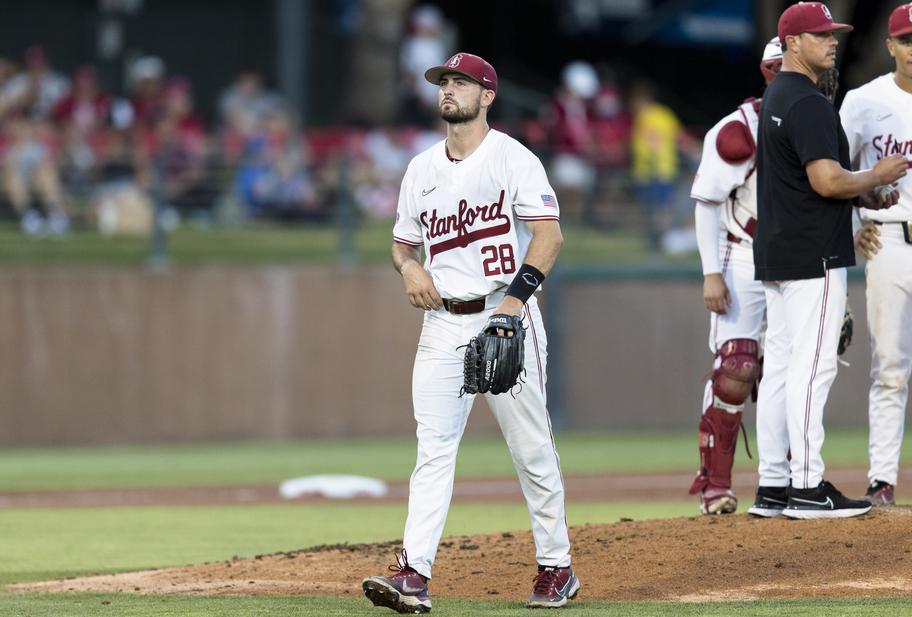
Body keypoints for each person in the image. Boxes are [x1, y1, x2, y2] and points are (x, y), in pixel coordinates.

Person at [362, 52, 578, 613]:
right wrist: (410, 269)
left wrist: (511, 306)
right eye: (444, 81)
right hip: (442, 322)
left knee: (530, 448)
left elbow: (548, 238)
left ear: (487, 97)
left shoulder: (514, 159)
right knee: (432, 450)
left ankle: (557, 566)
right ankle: (413, 573)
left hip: (506, 313)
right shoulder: (421, 169)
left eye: (461, 82)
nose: (449, 89)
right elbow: (403, 244)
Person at [750, 2, 908, 520]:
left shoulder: (778, 95)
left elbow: (807, 183)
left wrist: (863, 197)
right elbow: (826, 180)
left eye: (832, 33)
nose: (832, 41)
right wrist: (876, 177)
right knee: (811, 370)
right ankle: (807, 486)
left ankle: (773, 484)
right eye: (819, 34)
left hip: (778, 251)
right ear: (792, 43)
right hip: (812, 255)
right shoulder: (812, 104)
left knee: (779, 371)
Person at [687, 37, 783, 515]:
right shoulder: (739, 129)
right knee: (737, 367)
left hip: (798, 257)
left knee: (787, 370)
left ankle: (784, 482)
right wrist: (711, 273)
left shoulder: (829, 118)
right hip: (742, 250)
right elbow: (706, 201)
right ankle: (716, 485)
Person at [840, 3, 912, 507]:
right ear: (890, 45)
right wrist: (851, 228)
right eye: (907, 40)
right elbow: (831, 174)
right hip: (889, 238)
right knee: (889, 364)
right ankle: (882, 480)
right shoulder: (864, 101)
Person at [628, 79, 682, 251]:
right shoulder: (665, 114)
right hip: (663, 170)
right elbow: (679, 137)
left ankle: (657, 241)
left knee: (657, 209)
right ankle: (658, 240)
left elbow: (653, 141)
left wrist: (654, 162)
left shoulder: (647, 117)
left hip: (654, 172)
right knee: (659, 208)